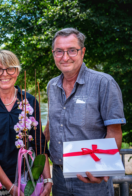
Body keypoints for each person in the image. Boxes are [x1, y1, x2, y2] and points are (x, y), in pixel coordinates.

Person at [44, 28, 125, 196]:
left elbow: (114, 132)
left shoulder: (104, 83)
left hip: (91, 179)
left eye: (72, 50)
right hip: (59, 177)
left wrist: (102, 169)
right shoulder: (51, 86)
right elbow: (52, 123)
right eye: (59, 51)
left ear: (83, 52)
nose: (65, 57)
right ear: (53, 54)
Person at [0, 50, 52, 196]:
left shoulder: (29, 101)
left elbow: (40, 145)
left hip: (26, 180)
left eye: (10, 68)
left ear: (17, 72)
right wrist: (10, 187)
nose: (4, 74)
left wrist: (48, 180)